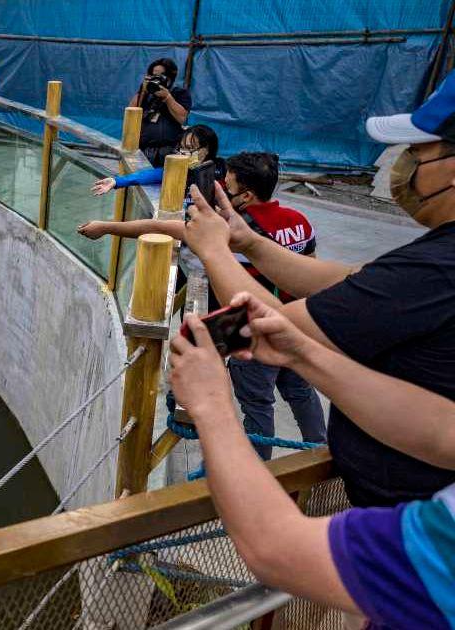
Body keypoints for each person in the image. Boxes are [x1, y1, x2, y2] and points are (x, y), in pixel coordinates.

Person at [181, 73, 455, 507]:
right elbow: (350, 280)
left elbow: (269, 330)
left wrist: (213, 263)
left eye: (419, 151)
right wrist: (248, 243)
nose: (405, 164)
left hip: (405, 519)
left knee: (258, 404)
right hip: (398, 495)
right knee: (299, 394)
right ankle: (310, 454)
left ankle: (257, 482)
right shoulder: (430, 258)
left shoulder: (438, 268)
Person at [170, 292, 455, 628]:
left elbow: (276, 548)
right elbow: (443, 430)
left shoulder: (442, 535)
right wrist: (302, 354)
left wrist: (210, 404)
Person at [80, 153, 325, 457]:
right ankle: (321, 453)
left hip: (250, 325)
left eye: (227, 186)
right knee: (300, 391)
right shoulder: (300, 222)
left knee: (256, 403)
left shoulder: (231, 231)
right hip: (296, 321)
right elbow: (309, 273)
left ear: (246, 196)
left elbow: (162, 228)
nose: (220, 188)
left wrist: (106, 227)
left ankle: (257, 473)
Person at [90, 124, 223, 196]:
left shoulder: (221, 172)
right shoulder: (179, 169)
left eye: (190, 148)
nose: (184, 153)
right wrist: (116, 181)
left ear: (206, 149)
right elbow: (149, 175)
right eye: (182, 148)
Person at [129, 58, 191, 167]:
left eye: (160, 76)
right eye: (153, 76)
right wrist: (143, 91)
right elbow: (131, 113)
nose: (156, 79)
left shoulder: (179, 93)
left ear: (170, 78)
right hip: (143, 150)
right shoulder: (146, 94)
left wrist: (167, 97)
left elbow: (182, 118)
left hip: (168, 151)